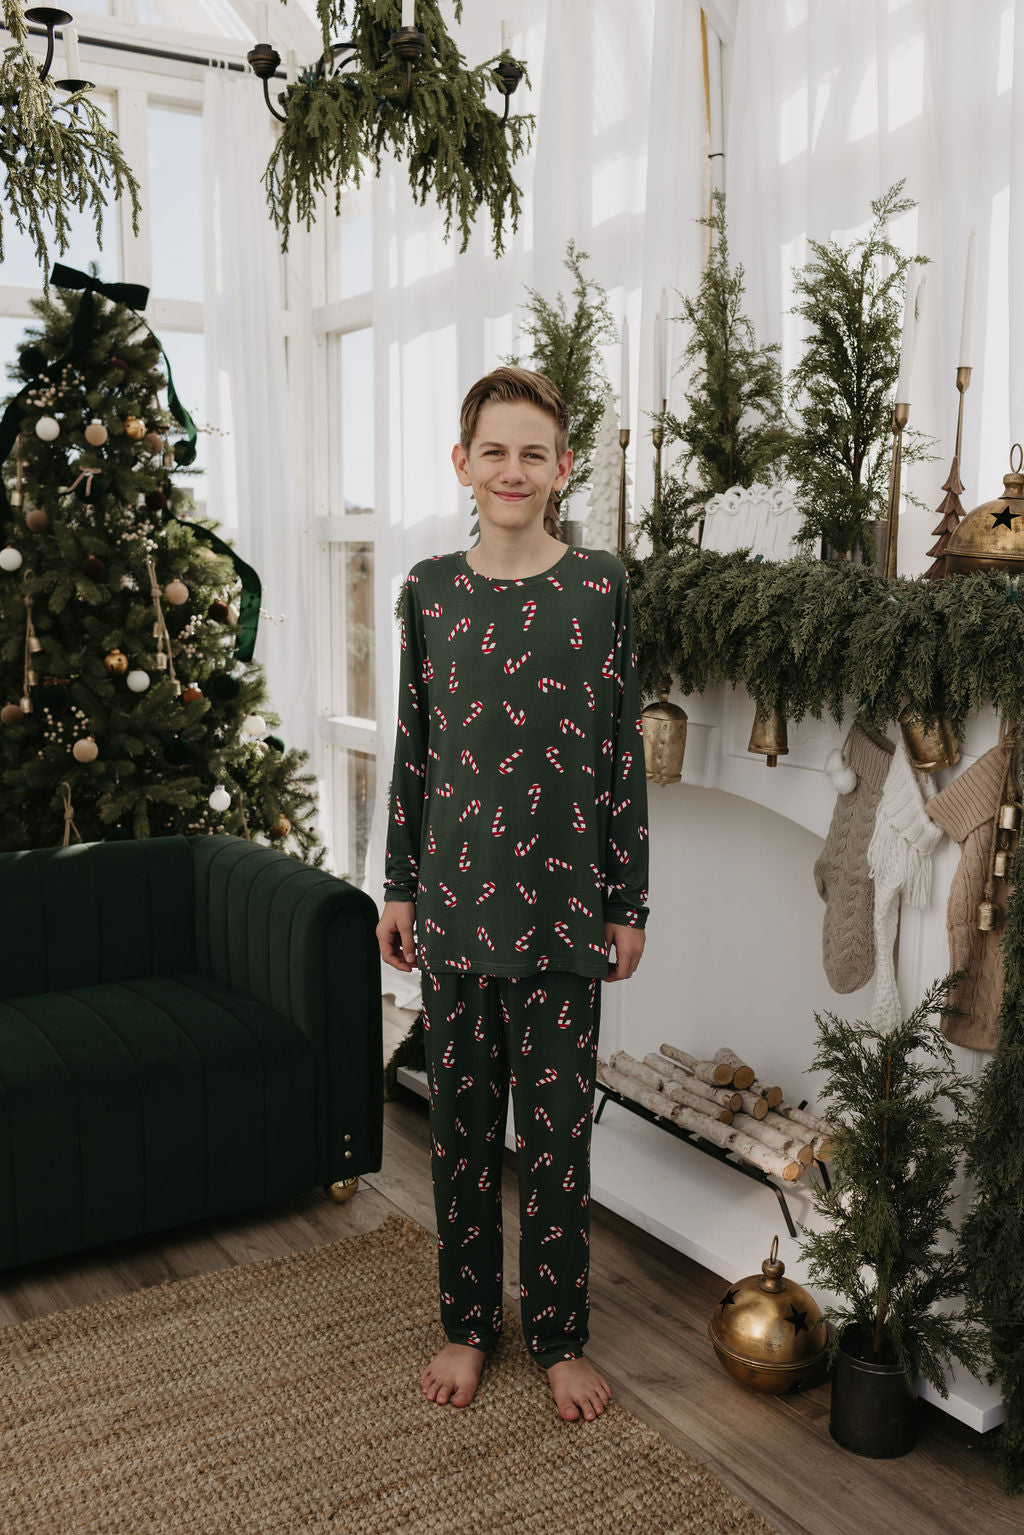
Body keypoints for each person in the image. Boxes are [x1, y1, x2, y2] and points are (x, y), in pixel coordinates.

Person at [376, 365, 650, 1424]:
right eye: (494, 449)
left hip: (564, 910)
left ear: (563, 466)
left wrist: (629, 900)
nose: (513, 469)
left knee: (553, 1138)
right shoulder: (428, 590)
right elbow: (416, 747)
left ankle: (559, 1333)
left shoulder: (599, 587)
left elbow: (620, 753)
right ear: (462, 463)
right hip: (451, 907)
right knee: (458, 1129)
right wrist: (397, 885)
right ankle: (465, 1321)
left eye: (533, 451)